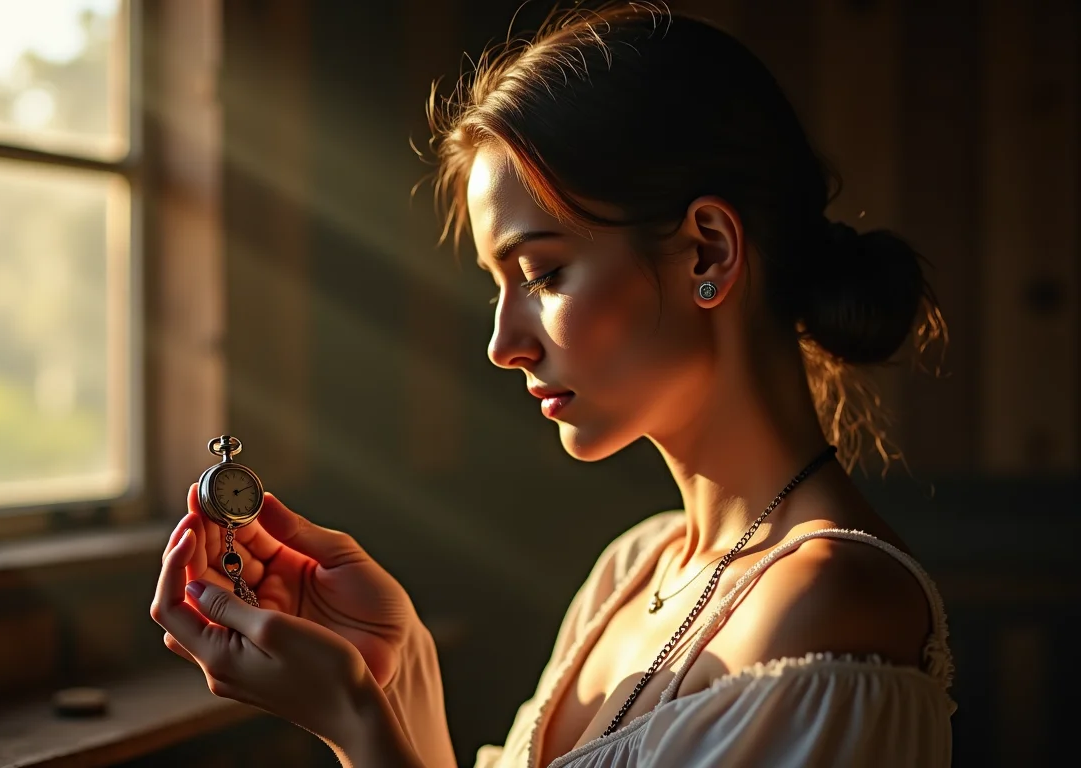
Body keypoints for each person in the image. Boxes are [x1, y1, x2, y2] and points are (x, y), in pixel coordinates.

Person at [150, 4, 956, 766]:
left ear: (707, 252)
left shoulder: (828, 608)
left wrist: (359, 722)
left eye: (543, 273)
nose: (503, 344)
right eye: (498, 285)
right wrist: (399, 678)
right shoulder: (635, 569)